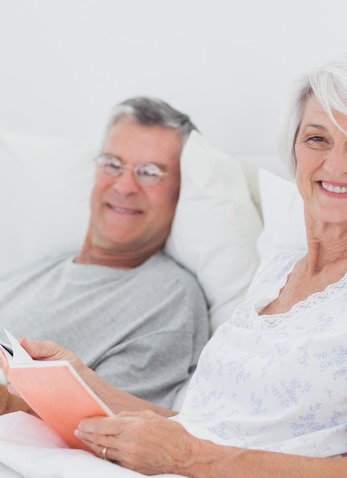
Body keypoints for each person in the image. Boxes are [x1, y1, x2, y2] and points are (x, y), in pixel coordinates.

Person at [9, 54, 347, 478]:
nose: (336, 164)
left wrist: (195, 462)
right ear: (295, 151)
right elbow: (199, 425)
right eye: (317, 139)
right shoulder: (277, 271)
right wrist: (80, 379)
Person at [0, 97, 209, 413]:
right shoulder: (39, 269)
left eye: (150, 172)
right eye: (113, 164)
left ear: (181, 190)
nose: (125, 186)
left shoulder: (169, 295)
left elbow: (104, 427)